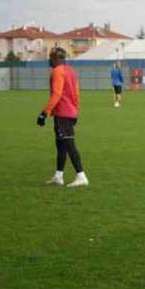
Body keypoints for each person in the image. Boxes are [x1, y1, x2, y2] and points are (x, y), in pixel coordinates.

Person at [38, 47, 89, 187]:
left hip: (63, 113)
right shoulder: (71, 71)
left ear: (56, 58)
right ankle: (58, 176)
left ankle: (81, 176)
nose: (49, 60)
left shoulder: (57, 72)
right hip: (70, 112)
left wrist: (45, 113)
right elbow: (77, 94)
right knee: (61, 145)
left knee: (69, 145)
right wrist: (75, 110)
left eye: (50, 57)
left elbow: (57, 94)